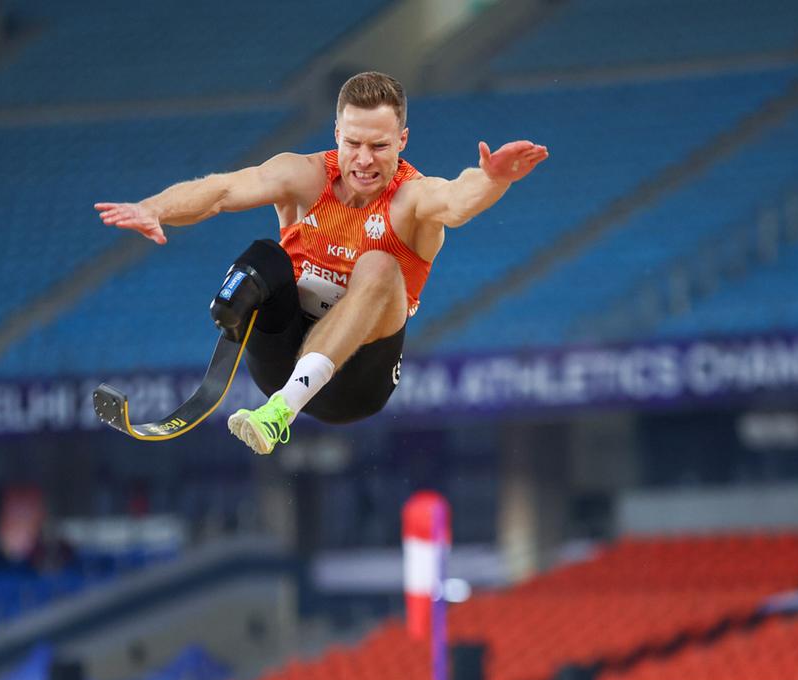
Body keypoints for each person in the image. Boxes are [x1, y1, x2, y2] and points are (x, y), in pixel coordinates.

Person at [96, 71, 548, 454]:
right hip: (282, 359)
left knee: (379, 264)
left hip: (355, 385)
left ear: (402, 141)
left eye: (380, 146)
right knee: (262, 258)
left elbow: (456, 200)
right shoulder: (304, 175)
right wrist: (155, 208)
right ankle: (233, 324)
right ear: (336, 134)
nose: (365, 160)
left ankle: (279, 414)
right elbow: (222, 190)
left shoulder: (412, 197)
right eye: (353, 143)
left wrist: (492, 179)